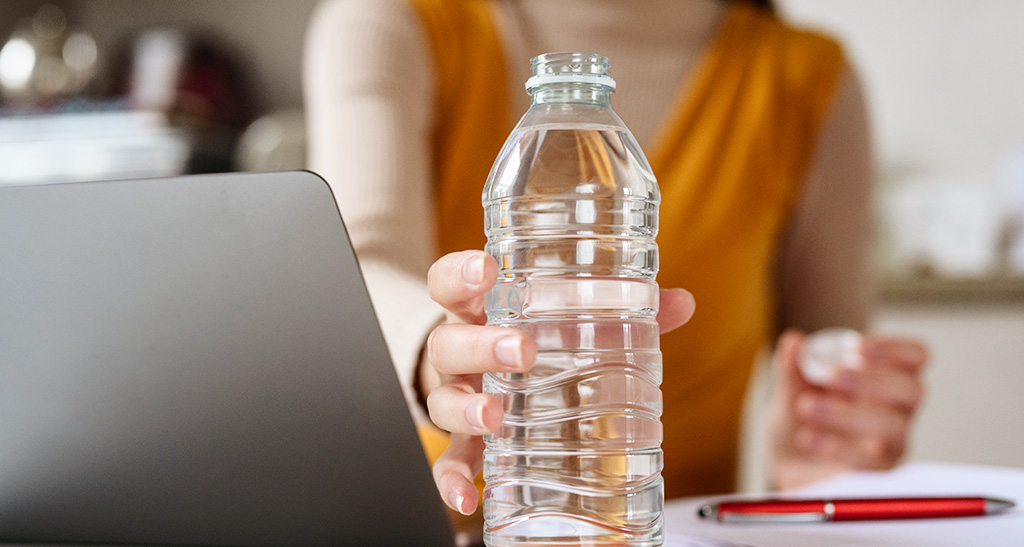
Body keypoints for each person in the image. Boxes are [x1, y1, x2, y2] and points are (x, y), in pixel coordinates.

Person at [303, 0, 929, 517]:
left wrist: (819, 472)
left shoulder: (806, 79)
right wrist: (436, 353)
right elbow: (360, 258)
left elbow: (827, 378)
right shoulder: (394, 20)